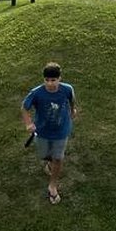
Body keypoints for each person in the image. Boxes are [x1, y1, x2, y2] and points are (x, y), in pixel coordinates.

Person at [21, 62, 77, 204]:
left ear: (59, 79)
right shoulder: (36, 93)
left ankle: (52, 185)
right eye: (47, 80)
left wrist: (72, 110)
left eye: (53, 80)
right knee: (44, 155)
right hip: (42, 132)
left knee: (57, 158)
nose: (50, 83)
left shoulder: (67, 89)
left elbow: (72, 99)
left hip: (61, 131)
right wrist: (28, 123)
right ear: (44, 79)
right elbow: (24, 107)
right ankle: (50, 163)